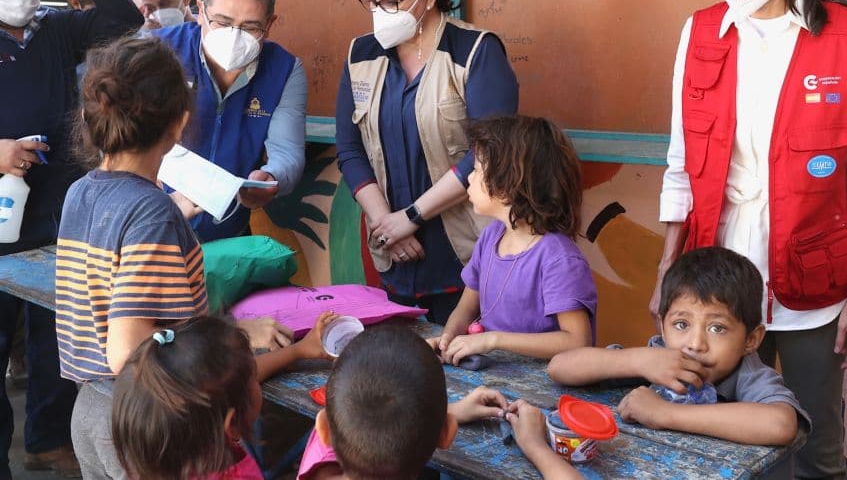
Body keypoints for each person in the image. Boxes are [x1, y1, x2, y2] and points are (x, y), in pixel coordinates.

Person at [650, 0, 847, 479]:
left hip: (814, 276)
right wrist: (667, 267)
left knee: (817, 443)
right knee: (721, 435)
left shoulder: (844, 32)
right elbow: (681, 160)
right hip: (719, 271)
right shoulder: (702, 31)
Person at [55, 37, 326, 480]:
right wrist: (235, 337)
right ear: (180, 123)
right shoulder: (151, 213)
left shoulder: (82, 191)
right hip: (152, 425)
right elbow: (129, 351)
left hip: (92, 409)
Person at [0, 0, 143, 480]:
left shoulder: (53, 30)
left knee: (51, 333)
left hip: (54, 209)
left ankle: (46, 440)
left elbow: (123, 20)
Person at [335, 0, 518, 324]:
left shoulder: (475, 52)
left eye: (392, 2)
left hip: (464, 252)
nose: (380, 12)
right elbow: (350, 150)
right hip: (393, 251)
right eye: (371, 1)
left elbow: (487, 154)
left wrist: (412, 216)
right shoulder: (360, 55)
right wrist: (388, 224)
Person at [549, 247, 810, 446]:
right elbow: (559, 368)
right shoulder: (658, 358)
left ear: (751, 340)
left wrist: (665, 413)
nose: (695, 345)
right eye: (682, 325)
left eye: (717, 328)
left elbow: (780, 424)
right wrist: (635, 361)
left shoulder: (748, 375)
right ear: (663, 327)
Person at [296, 324, 580, 480]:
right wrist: (536, 446)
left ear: (324, 427)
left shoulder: (320, 455)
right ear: (447, 433)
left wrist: (446, 413)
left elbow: (361, 421)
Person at [155, 0, 307, 242]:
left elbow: (288, 151)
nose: (234, 37)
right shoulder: (157, 52)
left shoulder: (285, 70)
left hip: (229, 238)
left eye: (250, 28)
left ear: (270, 24)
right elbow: (118, 140)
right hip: (154, 233)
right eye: (222, 23)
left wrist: (272, 177)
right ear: (200, 11)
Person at [429, 116, 597, 364]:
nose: (470, 179)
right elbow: (466, 308)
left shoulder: (558, 258)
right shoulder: (490, 237)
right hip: (495, 377)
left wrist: (493, 339)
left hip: (543, 389)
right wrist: (447, 340)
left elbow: (577, 340)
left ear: (507, 185)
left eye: (477, 171)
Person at [111, 314, 334, 480]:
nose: (256, 375)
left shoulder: (160, 462)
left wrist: (298, 350)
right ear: (231, 425)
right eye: (253, 379)